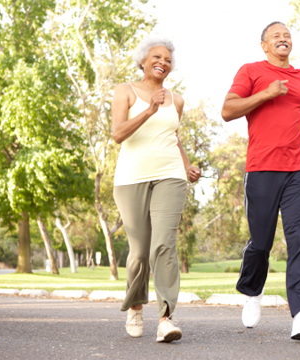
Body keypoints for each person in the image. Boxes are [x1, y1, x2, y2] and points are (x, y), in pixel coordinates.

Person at [221, 21, 300, 340]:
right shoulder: (251, 72)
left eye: (287, 36)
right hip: (261, 168)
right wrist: (266, 94)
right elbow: (227, 110)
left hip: (299, 167)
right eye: (276, 36)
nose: (283, 39)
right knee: (261, 242)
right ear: (264, 45)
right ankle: (252, 290)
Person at [111, 36, 201, 343]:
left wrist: (187, 165)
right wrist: (149, 109)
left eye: (167, 59)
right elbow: (118, 134)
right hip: (131, 178)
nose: (163, 62)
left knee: (164, 244)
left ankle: (165, 318)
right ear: (143, 61)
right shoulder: (126, 90)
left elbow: (173, 137)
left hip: (170, 175)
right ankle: (135, 306)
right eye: (157, 57)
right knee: (139, 252)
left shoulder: (176, 100)